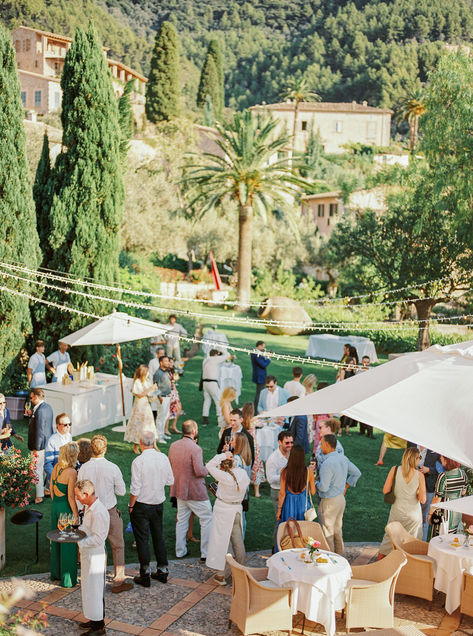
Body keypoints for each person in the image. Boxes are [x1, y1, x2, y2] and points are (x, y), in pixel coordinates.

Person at [78, 435, 132, 594]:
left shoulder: (84, 468)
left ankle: (93, 580)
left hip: (90, 511)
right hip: (109, 510)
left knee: (93, 544)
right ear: (105, 449)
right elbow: (121, 491)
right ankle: (118, 581)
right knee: (118, 545)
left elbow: (79, 492)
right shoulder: (113, 467)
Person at [129, 431, 174, 587]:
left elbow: (135, 488)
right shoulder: (163, 457)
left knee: (142, 539)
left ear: (141, 443)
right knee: (158, 536)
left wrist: (131, 505)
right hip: (157, 503)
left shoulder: (138, 461)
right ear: (153, 442)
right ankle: (162, 570)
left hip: (142, 504)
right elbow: (170, 480)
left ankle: (145, 573)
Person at [168, 420, 212, 561]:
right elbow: (199, 471)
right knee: (206, 519)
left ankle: (180, 551)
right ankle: (205, 553)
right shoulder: (195, 448)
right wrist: (209, 469)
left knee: (181, 520)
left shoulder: (173, 446)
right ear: (193, 431)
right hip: (195, 491)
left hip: (179, 489)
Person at [205, 451, 250, 585]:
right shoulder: (243, 474)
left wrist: (223, 455)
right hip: (236, 509)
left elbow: (209, 465)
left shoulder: (225, 477)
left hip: (223, 511)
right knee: (238, 542)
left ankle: (220, 575)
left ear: (223, 467)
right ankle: (241, 572)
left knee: (220, 542)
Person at [316, 434, 361, 555]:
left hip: (329, 502)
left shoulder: (327, 463)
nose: (320, 447)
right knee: (337, 531)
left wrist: (314, 482)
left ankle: (330, 560)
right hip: (341, 499)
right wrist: (346, 485)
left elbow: (323, 488)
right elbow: (357, 473)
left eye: (321, 444)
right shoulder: (343, 458)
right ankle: (341, 557)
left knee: (327, 533)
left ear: (326, 444)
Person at [75, 479, 110, 636]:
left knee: (96, 590)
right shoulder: (89, 508)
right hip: (88, 554)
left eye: (78, 495)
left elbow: (99, 538)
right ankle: (93, 619)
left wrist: (79, 542)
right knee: (88, 588)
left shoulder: (99, 511)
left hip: (95, 556)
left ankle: (99, 627)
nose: (77, 499)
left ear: (86, 494)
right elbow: (85, 529)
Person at [379, 446, 426, 556]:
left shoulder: (394, 470)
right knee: (411, 545)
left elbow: (385, 490)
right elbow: (423, 500)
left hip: (397, 512)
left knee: (388, 541)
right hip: (413, 515)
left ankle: (378, 566)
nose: (420, 459)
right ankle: (407, 570)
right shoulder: (420, 475)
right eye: (419, 457)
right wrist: (417, 492)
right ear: (415, 459)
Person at [50, 442, 79, 588]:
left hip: (55, 506)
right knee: (68, 544)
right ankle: (68, 580)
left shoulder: (55, 468)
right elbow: (71, 497)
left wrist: (56, 505)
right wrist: (75, 515)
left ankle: (55, 573)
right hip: (65, 509)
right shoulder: (71, 472)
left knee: (56, 540)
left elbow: (51, 489)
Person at [277, 444, 316, 526]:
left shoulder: (284, 472)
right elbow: (313, 492)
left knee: (288, 531)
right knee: (303, 531)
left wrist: (279, 510)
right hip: (303, 505)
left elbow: (282, 493)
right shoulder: (309, 472)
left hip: (288, 505)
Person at [428, 456, 467, 537]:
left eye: (442, 458)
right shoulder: (463, 473)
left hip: (444, 514)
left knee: (440, 540)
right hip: (457, 512)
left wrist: (430, 514)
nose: (440, 459)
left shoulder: (443, 476)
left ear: (447, 460)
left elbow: (437, 499)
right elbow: (463, 492)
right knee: (453, 539)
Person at [266, 432, 294, 545]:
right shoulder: (273, 459)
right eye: (287, 443)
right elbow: (270, 479)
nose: (290, 445)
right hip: (278, 492)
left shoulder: (291, 453)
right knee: (281, 521)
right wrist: (287, 475)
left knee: (290, 520)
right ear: (279, 442)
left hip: (290, 491)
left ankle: (287, 544)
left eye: (292, 442)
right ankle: (276, 547)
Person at [28, 388, 54, 504]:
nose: (30, 399)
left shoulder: (39, 411)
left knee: (36, 470)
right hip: (48, 443)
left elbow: (39, 431)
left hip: (40, 445)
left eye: (31, 397)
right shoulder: (48, 407)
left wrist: (36, 448)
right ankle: (47, 490)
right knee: (44, 468)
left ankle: (39, 497)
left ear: (36, 397)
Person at [124, 365, 157, 454]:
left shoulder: (146, 381)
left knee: (149, 423)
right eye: (147, 372)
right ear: (143, 373)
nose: (148, 374)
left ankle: (154, 444)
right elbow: (140, 394)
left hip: (146, 404)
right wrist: (150, 388)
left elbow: (149, 393)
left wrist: (154, 391)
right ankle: (136, 445)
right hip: (139, 405)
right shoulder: (137, 382)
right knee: (139, 424)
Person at [418, 447, 442, 541]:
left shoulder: (434, 446)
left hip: (428, 487)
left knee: (424, 517)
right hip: (411, 485)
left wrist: (429, 470)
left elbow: (442, 468)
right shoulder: (411, 442)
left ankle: (421, 542)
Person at [201, 349, 230, 427]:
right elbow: (227, 355)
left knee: (207, 401)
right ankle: (220, 421)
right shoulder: (214, 359)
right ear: (216, 355)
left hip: (205, 383)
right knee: (218, 401)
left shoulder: (206, 360)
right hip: (212, 383)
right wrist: (221, 349)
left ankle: (205, 420)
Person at [242, 402, 265, 498]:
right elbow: (263, 424)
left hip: (243, 445)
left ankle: (243, 488)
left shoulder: (241, 420)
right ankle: (257, 492)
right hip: (254, 446)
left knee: (243, 465)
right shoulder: (254, 421)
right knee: (257, 467)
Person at [233, 432, 252, 537]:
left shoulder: (236, 459)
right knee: (243, 517)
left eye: (233, 440)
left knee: (237, 519)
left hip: (238, 493)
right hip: (246, 491)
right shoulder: (247, 457)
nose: (231, 442)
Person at [44, 413, 72, 485]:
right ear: (58, 425)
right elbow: (48, 463)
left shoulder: (69, 436)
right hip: (57, 476)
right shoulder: (52, 440)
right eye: (65, 425)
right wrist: (54, 478)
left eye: (69, 424)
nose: (68, 427)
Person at [153, 355, 173, 444]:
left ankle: (162, 434)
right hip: (162, 398)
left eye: (168, 361)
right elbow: (155, 386)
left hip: (168, 396)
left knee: (165, 416)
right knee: (160, 417)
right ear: (161, 363)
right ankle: (159, 436)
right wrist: (159, 397)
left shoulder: (167, 371)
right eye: (166, 361)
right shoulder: (157, 373)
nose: (168, 362)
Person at [338, 357, 358, 434]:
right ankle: (340, 430)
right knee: (343, 413)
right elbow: (342, 381)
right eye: (350, 363)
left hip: (352, 393)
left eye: (352, 363)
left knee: (350, 412)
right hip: (345, 393)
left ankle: (347, 430)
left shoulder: (354, 371)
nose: (351, 365)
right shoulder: (343, 371)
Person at [310, 382, 331, 450]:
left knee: (317, 438)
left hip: (318, 420)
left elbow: (314, 413)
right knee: (326, 439)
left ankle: (316, 454)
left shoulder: (316, 399)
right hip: (325, 420)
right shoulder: (328, 400)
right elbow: (330, 414)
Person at [251, 340, 271, 409]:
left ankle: (257, 407)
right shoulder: (256, 353)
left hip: (258, 375)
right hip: (260, 376)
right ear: (259, 346)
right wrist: (268, 358)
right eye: (263, 347)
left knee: (259, 392)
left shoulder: (256, 352)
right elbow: (263, 364)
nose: (264, 349)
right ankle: (257, 408)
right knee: (260, 393)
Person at [148, 347, 165, 421]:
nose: (162, 355)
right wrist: (152, 384)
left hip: (164, 383)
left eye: (163, 353)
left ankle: (163, 413)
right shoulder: (152, 362)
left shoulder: (165, 360)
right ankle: (154, 414)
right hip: (155, 383)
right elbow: (150, 374)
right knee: (155, 399)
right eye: (160, 353)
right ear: (157, 354)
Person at [167, 358, 182, 435]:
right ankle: (165, 428)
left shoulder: (171, 371)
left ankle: (173, 426)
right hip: (169, 392)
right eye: (170, 363)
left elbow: (173, 381)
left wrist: (176, 391)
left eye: (172, 363)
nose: (172, 364)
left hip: (174, 391)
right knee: (170, 409)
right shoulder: (166, 371)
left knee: (179, 408)